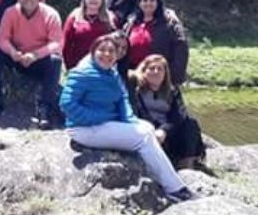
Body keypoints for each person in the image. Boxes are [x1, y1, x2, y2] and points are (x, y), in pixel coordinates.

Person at [60, 35, 196, 202]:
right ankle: (174, 188)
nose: (106, 54)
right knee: (143, 137)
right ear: (93, 51)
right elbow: (67, 104)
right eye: (101, 50)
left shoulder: (111, 72)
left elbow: (122, 99)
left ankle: (158, 175)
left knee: (148, 128)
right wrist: (100, 117)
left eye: (111, 51)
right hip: (83, 128)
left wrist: (131, 121)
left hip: (104, 124)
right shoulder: (81, 73)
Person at [0, 0, 62, 128]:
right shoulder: (10, 12)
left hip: (38, 59)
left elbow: (57, 43)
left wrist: (35, 55)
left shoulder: (51, 14)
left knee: (55, 60)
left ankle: (44, 109)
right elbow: (1, 38)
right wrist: (13, 52)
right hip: (17, 56)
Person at [128, 54, 206, 169]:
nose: (156, 72)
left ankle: (187, 162)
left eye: (160, 69)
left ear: (165, 73)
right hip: (148, 129)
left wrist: (164, 130)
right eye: (151, 68)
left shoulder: (172, 91)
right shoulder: (136, 90)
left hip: (168, 131)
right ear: (144, 71)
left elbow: (179, 115)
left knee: (191, 123)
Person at [123, 0, 189, 85]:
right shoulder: (132, 22)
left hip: (157, 74)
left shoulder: (169, 23)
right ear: (139, 3)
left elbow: (181, 48)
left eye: (152, 0)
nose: (148, 3)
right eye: (144, 0)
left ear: (158, 3)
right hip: (133, 74)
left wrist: (175, 76)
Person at [62, 0, 116, 70]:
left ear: (102, 0)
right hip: (78, 64)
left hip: (103, 63)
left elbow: (115, 43)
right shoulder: (75, 16)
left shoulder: (110, 18)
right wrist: (69, 65)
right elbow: (66, 43)